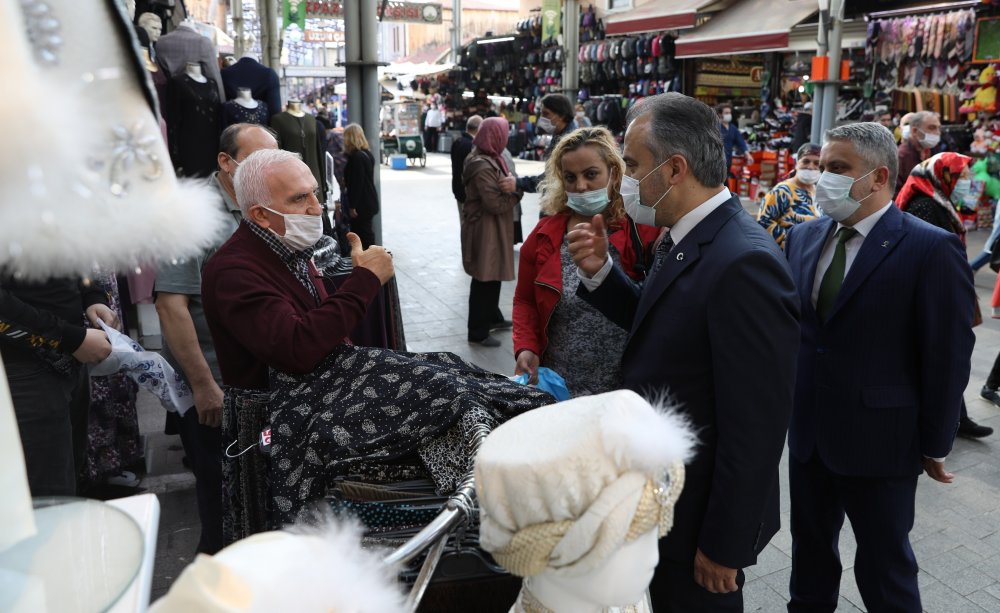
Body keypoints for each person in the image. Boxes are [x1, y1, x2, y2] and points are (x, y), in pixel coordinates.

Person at [568, 92, 800, 610]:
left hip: (697, 520)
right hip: (659, 496)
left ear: (674, 169)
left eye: (630, 165)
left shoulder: (744, 263)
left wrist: (723, 544)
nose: (622, 179)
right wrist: (603, 275)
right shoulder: (681, 235)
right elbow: (665, 327)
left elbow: (757, 425)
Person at [783, 123, 976, 612]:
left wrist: (936, 441)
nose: (822, 177)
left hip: (882, 443)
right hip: (809, 438)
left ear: (878, 177)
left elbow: (947, 354)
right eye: (822, 167)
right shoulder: (804, 237)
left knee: (885, 569)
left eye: (837, 169)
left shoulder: (930, 247)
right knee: (808, 562)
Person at [155, 123, 279, 554]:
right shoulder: (193, 216)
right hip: (216, 383)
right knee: (222, 493)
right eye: (258, 158)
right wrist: (204, 384)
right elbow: (171, 306)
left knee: (261, 486)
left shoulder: (261, 201)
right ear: (227, 162)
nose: (268, 168)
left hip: (260, 378)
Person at [512, 126, 659, 396]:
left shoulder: (642, 229)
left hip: (626, 390)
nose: (580, 186)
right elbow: (525, 299)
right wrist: (526, 346)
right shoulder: (545, 236)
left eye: (591, 174)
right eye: (570, 177)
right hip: (561, 386)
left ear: (614, 173)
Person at [895, 152, 992, 438]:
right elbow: (926, 255)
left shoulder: (938, 199)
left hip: (940, 291)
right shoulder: (924, 204)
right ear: (944, 174)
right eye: (962, 174)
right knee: (940, 356)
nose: (967, 180)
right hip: (931, 295)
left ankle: (955, 417)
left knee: (945, 357)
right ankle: (948, 420)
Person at [1, 277, 115, 496]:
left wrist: (92, 295)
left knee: (65, 481)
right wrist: (69, 338)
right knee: (48, 497)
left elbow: (67, 252)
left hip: (66, 356)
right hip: (22, 371)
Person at [462, 117, 522, 348]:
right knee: (484, 277)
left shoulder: (490, 158)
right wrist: (517, 193)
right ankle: (477, 331)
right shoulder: (482, 165)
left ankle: (492, 318)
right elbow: (494, 204)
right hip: (485, 228)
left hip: (491, 226)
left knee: (491, 274)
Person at [757, 143, 822, 249]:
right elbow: (763, 222)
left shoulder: (818, 192)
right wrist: (791, 243)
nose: (811, 167)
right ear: (797, 163)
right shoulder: (781, 191)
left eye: (816, 163)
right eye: (806, 161)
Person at [511, 93, 576, 194]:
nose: (541, 118)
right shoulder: (559, 134)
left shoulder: (570, 143)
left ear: (561, 116)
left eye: (546, 114)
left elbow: (551, 178)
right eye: (541, 113)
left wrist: (519, 183)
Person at [342, 123, 380, 249]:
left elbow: (357, 184)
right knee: (366, 234)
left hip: (361, 205)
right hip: (369, 201)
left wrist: (352, 206)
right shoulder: (366, 154)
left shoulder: (356, 157)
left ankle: (371, 261)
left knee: (363, 236)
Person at [896, 110, 941, 193]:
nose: (937, 132)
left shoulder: (933, 152)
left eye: (938, 128)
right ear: (914, 131)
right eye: (932, 128)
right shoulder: (900, 156)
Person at [451, 114, 483, 217]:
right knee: (470, 227)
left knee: (464, 224)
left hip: (458, 190)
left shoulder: (458, 141)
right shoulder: (472, 146)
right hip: (467, 195)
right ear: (479, 128)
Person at [717, 103, 754, 176]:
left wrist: (747, 154)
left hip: (728, 161)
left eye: (729, 113)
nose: (729, 115)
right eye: (726, 113)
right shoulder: (716, 127)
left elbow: (740, 142)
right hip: (717, 162)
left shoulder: (733, 128)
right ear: (721, 114)